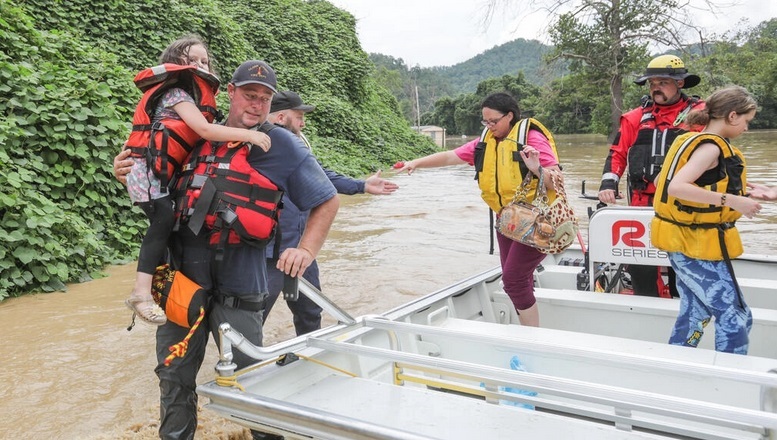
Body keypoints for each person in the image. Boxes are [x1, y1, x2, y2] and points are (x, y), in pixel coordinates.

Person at [116, 60, 338, 440]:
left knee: (253, 377)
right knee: (173, 375)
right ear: (230, 92)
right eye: (250, 95)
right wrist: (126, 170)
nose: (256, 104)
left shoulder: (279, 143)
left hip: (241, 281)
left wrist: (306, 249)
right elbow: (152, 175)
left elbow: (326, 200)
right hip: (183, 279)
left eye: (265, 99)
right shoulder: (193, 131)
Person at [123, 35, 271, 327]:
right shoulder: (176, 94)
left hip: (157, 176)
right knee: (162, 221)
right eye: (193, 61)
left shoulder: (190, 98)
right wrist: (250, 135)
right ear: (176, 63)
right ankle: (141, 293)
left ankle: (149, 290)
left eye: (205, 61)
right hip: (148, 175)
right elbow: (204, 130)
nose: (201, 65)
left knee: (164, 222)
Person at [397, 92, 562, 327]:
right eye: (485, 122)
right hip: (508, 220)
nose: (489, 126)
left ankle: (531, 334)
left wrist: (536, 168)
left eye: (493, 121)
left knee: (513, 279)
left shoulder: (531, 139)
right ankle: (527, 320)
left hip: (538, 221)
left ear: (509, 116)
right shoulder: (485, 142)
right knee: (514, 278)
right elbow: (449, 157)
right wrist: (415, 163)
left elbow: (556, 181)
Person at [264, 90, 398, 336]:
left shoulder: (294, 147)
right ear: (281, 117)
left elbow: (321, 177)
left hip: (301, 248)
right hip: (269, 251)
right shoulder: (262, 144)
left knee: (309, 311)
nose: (303, 122)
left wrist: (362, 186)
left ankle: (304, 357)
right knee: (258, 314)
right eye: (299, 116)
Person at [651, 85, 765, 354]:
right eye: (747, 121)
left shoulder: (689, 140)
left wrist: (747, 192)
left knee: (695, 314)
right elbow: (676, 187)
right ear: (732, 116)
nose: (746, 129)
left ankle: (677, 363)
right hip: (696, 245)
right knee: (736, 319)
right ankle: (728, 380)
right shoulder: (711, 148)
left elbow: (660, 180)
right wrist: (735, 201)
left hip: (684, 243)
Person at [597, 54, 706, 297]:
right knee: (641, 269)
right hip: (642, 205)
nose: (656, 88)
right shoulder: (635, 118)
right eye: (652, 83)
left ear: (680, 83)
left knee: (685, 270)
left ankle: (684, 314)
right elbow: (617, 153)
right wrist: (608, 183)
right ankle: (649, 311)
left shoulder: (700, 115)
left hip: (685, 204)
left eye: (663, 82)